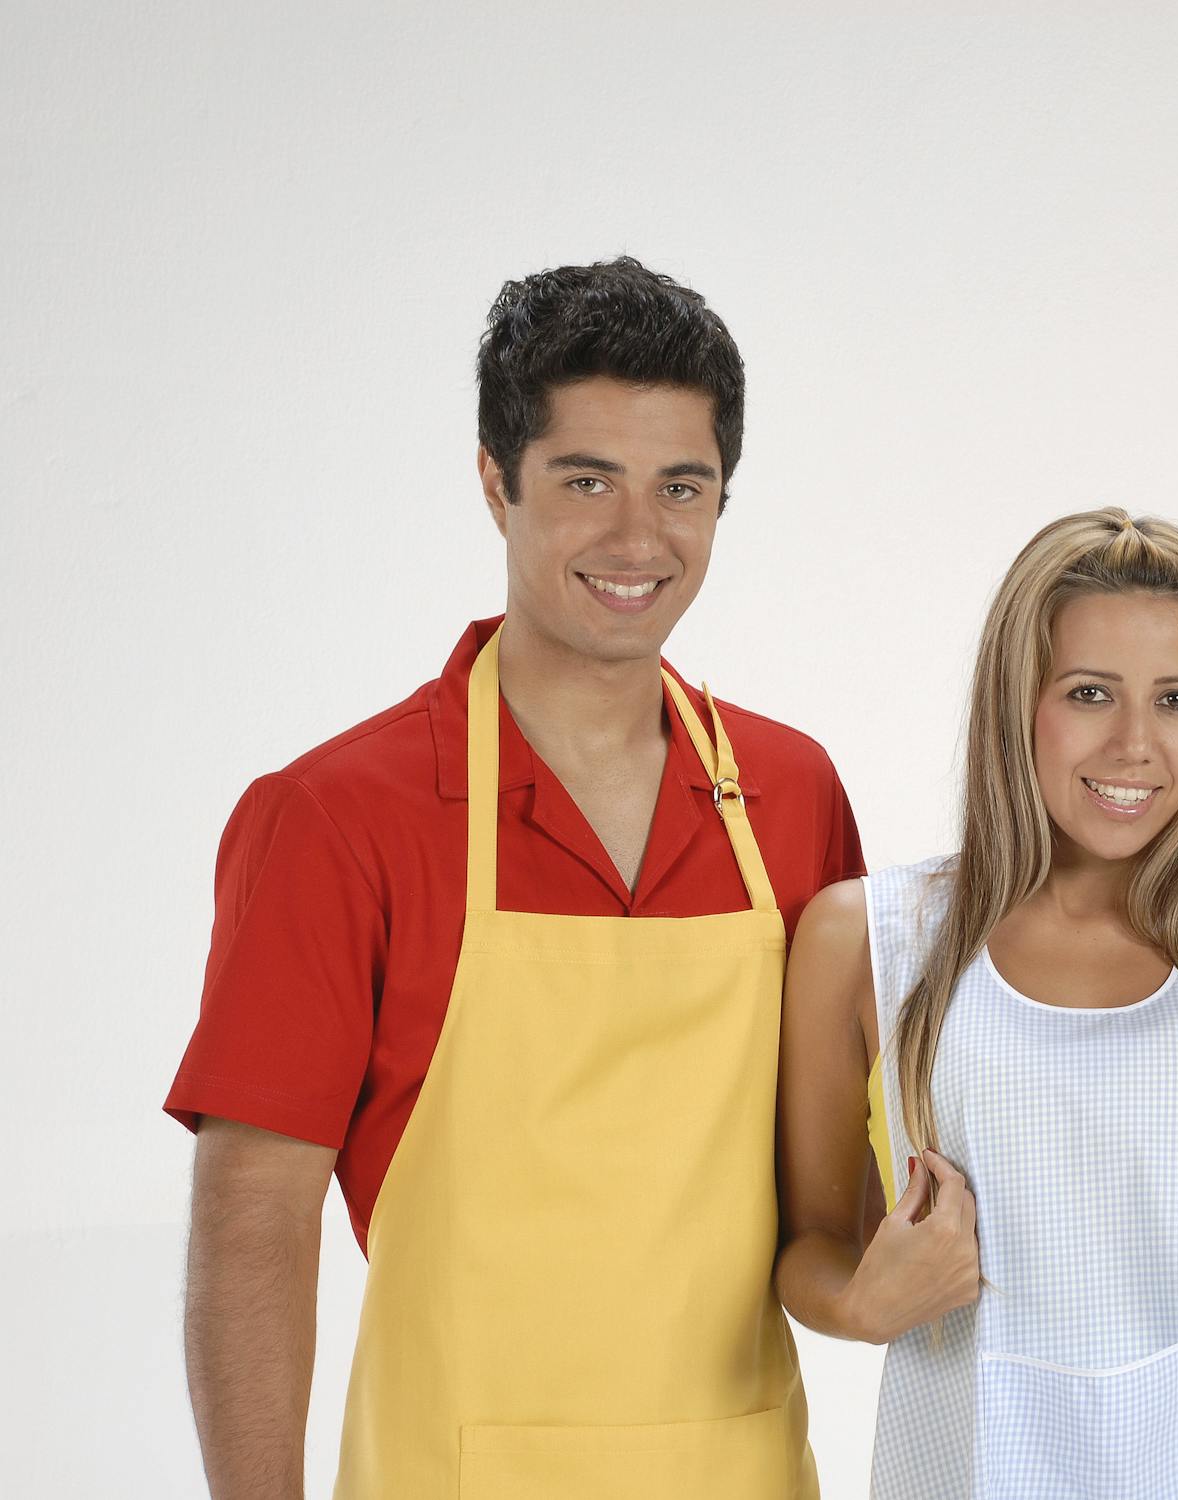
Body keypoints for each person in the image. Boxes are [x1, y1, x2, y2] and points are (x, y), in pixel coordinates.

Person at [166, 257, 859, 1499]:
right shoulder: (334, 819)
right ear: (497, 483)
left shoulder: (792, 796)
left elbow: (834, 1193)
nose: (637, 537)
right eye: (585, 479)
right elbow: (254, 1221)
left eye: (680, 487)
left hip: (747, 1470)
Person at [776, 509, 1178, 1499]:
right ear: (1015, 703)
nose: (1136, 745)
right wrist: (864, 1305)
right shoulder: (871, 946)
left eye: (1177, 700)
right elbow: (805, 1248)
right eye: (1089, 694)